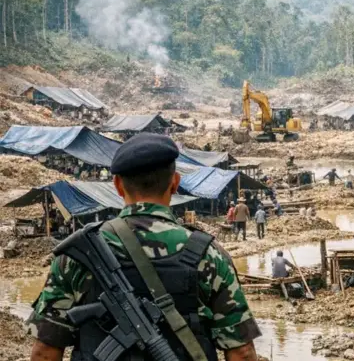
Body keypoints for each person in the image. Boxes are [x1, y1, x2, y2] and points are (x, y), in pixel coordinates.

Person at [26, 133, 261, 361]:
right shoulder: (209, 255)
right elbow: (241, 352)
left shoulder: (79, 256)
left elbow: (45, 351)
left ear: (117, 185)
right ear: (175, 183)